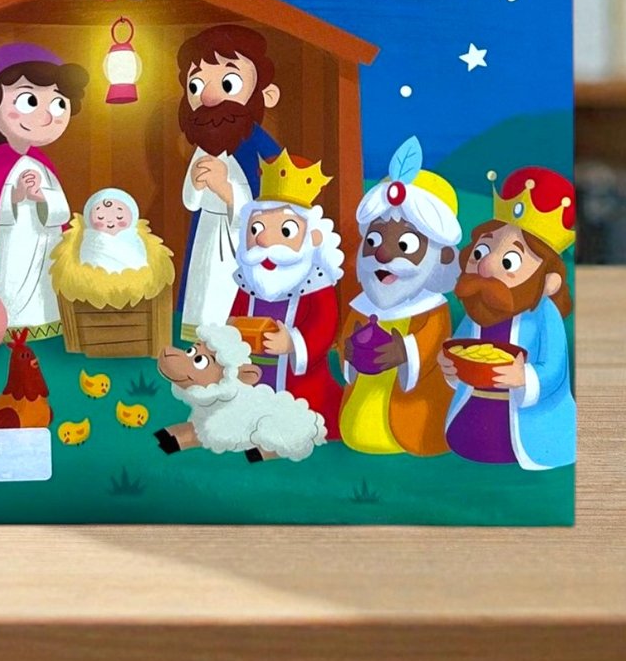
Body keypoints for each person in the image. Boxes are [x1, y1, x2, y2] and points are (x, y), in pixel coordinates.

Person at [441, 166, 577, 471]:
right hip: (471, 420)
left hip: (528, 428)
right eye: (481, 251)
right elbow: (460, 348)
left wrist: (523, 378)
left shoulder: (544, 315)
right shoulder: (479, 310)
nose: (486, 265)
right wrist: (451, 368)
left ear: (550, 281)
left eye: (509, 260)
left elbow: (554, 368)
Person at [0, 43, 88, 339]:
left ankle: (48, 323)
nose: (47, 116)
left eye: (58, 104)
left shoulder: (43, 163)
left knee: (44, 290)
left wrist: (42, 197)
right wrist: (13, 198)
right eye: (29, 101)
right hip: (8, 245)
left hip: (44, 244)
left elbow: (61, 212)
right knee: (10, 286)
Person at [337, 137, 462, 457]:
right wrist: (349, 351)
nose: (382, 254)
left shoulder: (431, 309)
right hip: (359, 410)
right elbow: (345, 343)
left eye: (404, 245)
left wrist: (404, 352)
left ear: (442, 257)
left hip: (413, 417)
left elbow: (431, 346)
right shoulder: (363, 304)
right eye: (373, 241)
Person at [175, 24, 281, 339]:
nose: (209, 96)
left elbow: (273, 199)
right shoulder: (204, 145)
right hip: (207, 229)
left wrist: (227, 190)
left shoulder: (260, 146)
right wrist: (196, 184)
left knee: (231, 294)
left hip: (244, 237)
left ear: (266, 95)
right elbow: (189, 200)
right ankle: (198, 344)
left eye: (227, 83)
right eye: (196, 85)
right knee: (202, 285)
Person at [227, 156, 343, 439]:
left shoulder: (316, 285)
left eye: (286, 231)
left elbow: (324, 326)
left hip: (298, 385)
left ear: (312, 238)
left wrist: (292, 343)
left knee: (297, 422)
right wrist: (230, 337)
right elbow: (235, 316)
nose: (265, 241)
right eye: (256, 229)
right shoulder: (249, 281)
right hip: (250, 375)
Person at [77, 189, 150, 273]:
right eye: (100, 217)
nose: (110, 221)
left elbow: (139, 261)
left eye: (119, 217)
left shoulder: (135, 239)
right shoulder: (89, 239)